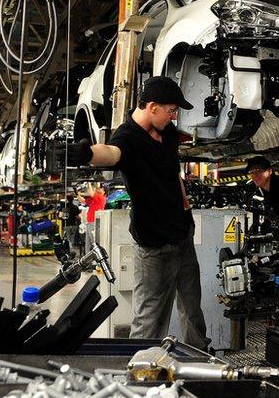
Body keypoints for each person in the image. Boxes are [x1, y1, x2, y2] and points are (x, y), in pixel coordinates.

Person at [68, 76, 208, 350]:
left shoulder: (166, 133)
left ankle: (199, 361)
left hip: (182, 236)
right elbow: (111, 152)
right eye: (171, 110)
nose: (174, 115)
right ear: (153, 107)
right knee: (150, 322)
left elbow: (172, 170)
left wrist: (183, 200)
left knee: (193, 312)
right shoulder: (128, 137)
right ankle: (140, 373)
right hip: (154, 246)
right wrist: (85, 154)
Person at [246, 155, 279, 229]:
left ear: (269, 171)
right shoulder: (264, 191)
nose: (255, 175)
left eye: (258, 170)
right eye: (252, 172)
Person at [79, 184, 106, 251]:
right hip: (89, 223)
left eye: (100, 189)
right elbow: (82, 201)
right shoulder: (94, 198)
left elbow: (91, 193)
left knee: (94, 243)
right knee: (88, 243)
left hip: (94, 223)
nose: (98, 189)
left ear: (104, 191)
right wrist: (78, 194)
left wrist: (89, 183)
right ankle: (87, 259)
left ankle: (96, 259)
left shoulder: (101, 197)